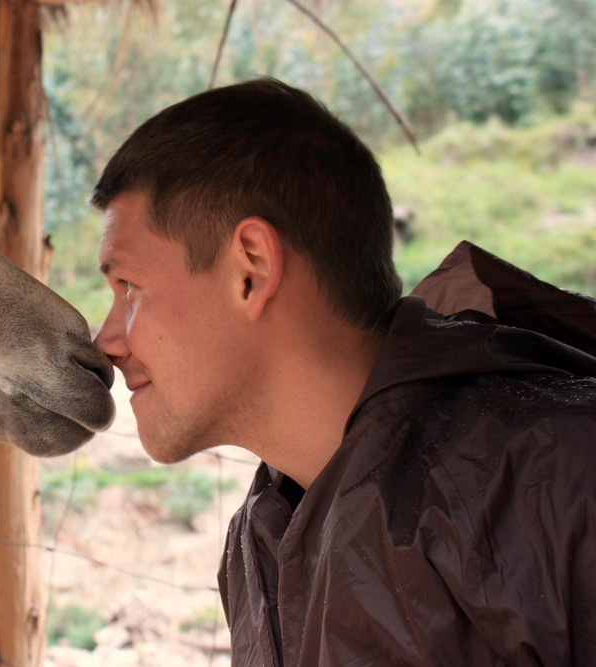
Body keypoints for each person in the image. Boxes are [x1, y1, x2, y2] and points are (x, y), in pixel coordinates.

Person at [90, 77, 596, 666]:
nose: (107, 341)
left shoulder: (561, 477)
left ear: (250, 270)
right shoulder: (258, 542)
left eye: (130, 287)